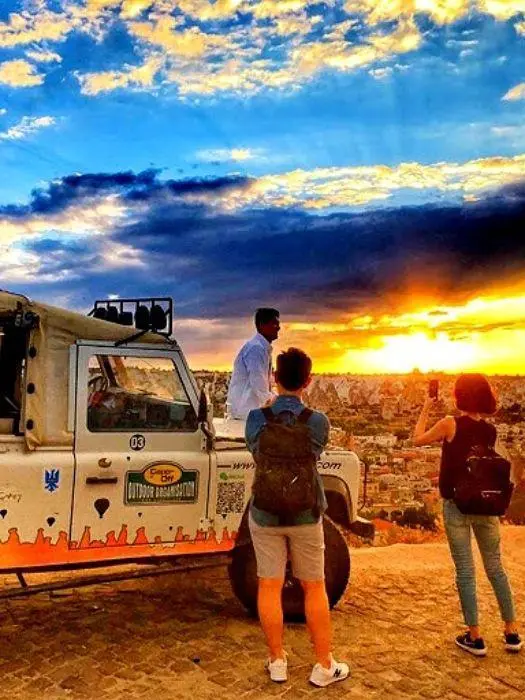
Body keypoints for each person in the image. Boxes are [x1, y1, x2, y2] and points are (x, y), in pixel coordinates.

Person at [245, 347, 349, 687]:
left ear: (275, 377)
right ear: (308, 380)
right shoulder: (318, 422)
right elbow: (314, 454)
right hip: (305, 513)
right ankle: (324, 665)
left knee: (269, 585)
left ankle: (277, 661)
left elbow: (256, 453)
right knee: (314, 586)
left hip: (265, 512)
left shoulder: (256, 419)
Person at [412, 373, 522, 656]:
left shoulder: (450, 424)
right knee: (495, 567)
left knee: (465, 571)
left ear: (459, 396)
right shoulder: (490, 430)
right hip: (486, 505)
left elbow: (416, 439)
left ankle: (475, 636)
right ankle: (511, 632)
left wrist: (427, 405)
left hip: (457, 505)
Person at [226, 308, 280, 420]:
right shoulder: (256, 349)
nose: (278, 327)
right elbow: (260, 386)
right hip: (246, 413)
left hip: (249, 412)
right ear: (262, 325)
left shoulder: (261, 348)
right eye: (274, 324)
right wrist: (280, 404)